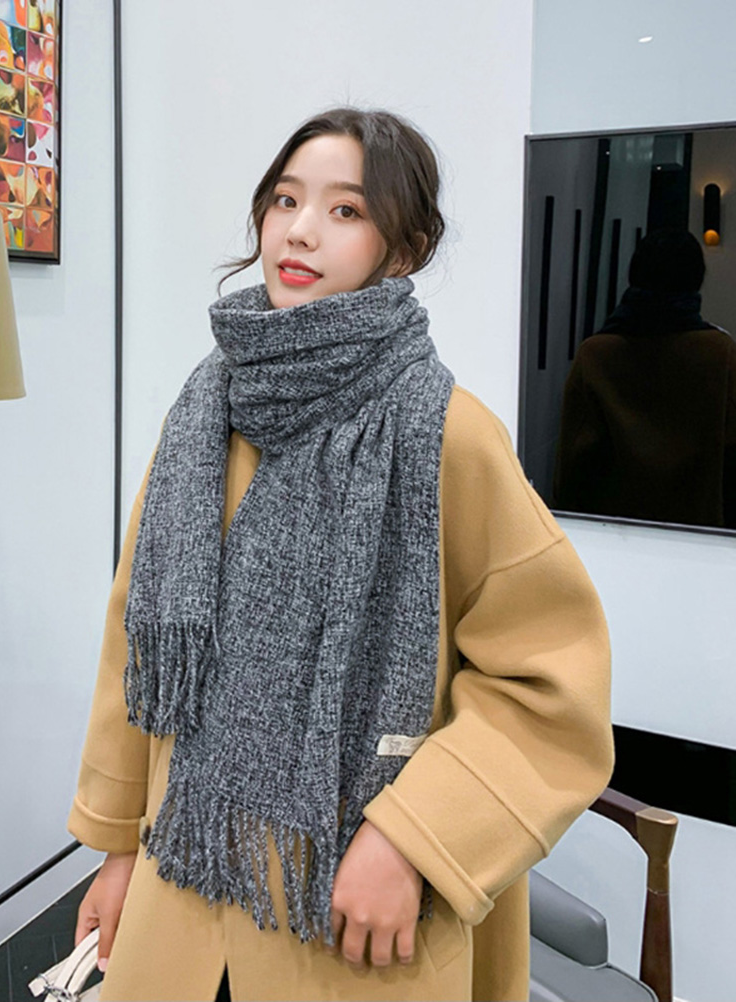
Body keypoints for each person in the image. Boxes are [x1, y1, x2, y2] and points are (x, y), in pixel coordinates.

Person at [67, 108, 613, 1001]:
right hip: (182, 888)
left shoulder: (447, 435)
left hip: (352, 931)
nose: (300, 230)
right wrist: (118, 845)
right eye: (286, 200)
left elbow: (552, 691)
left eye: (346, 210)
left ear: (406, 248)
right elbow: (140, 646)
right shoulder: (206, 412)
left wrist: (414, 838)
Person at [553, 226, 736, 529]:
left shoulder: (596, 354)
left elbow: (573, 465)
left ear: (634, 274)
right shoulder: (720, 354)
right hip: (700, 534)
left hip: (612, 533)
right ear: (696, 280)